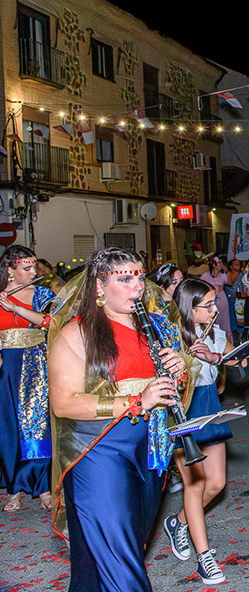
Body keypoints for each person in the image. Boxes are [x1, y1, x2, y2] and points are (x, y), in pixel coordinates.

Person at [48, 248, 188, 592]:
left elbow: (169, 387)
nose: (136, 286)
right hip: (97, 449)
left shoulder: (155, 327)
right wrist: (136, 401)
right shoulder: (76, 334)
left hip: (150, 446)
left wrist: (180, 368)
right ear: (99, 286)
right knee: (119, 555)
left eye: (139, 276)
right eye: (124, 279)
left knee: (116, 548)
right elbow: (63, 403)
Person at [162, 278, 238, 584]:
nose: (214, 309)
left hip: (209, 403)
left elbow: (239, 358)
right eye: (207, 305)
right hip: (182, 408)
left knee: (216, 483)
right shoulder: (170, 337)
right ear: (189, 308)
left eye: (214, 303)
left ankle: (178, 522)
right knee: (195, 485)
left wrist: (215, 357)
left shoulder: (215, 333)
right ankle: (204, 557)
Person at [0, 246, 57, 511]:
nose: (35, 272)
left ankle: (43, 485)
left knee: (37, 421)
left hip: (35, 362)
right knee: (7, 425)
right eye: (27, 268)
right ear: (10, 270)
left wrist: (16, 308)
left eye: (34, 267)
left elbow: (51, 323)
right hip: (4, 364)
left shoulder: (42, 293)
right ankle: (14, 487)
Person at [199, 257, 233, 341]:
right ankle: (213, 340)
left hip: (222, 299)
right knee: (213, 319)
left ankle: (226, 341)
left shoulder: (223, 274)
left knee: (224, 320)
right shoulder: (205, 275)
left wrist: (226, 270)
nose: (221, 264)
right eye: (219, 262)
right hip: (211, 300)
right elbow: (200, 287)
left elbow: (230, 283)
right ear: (213, 264)